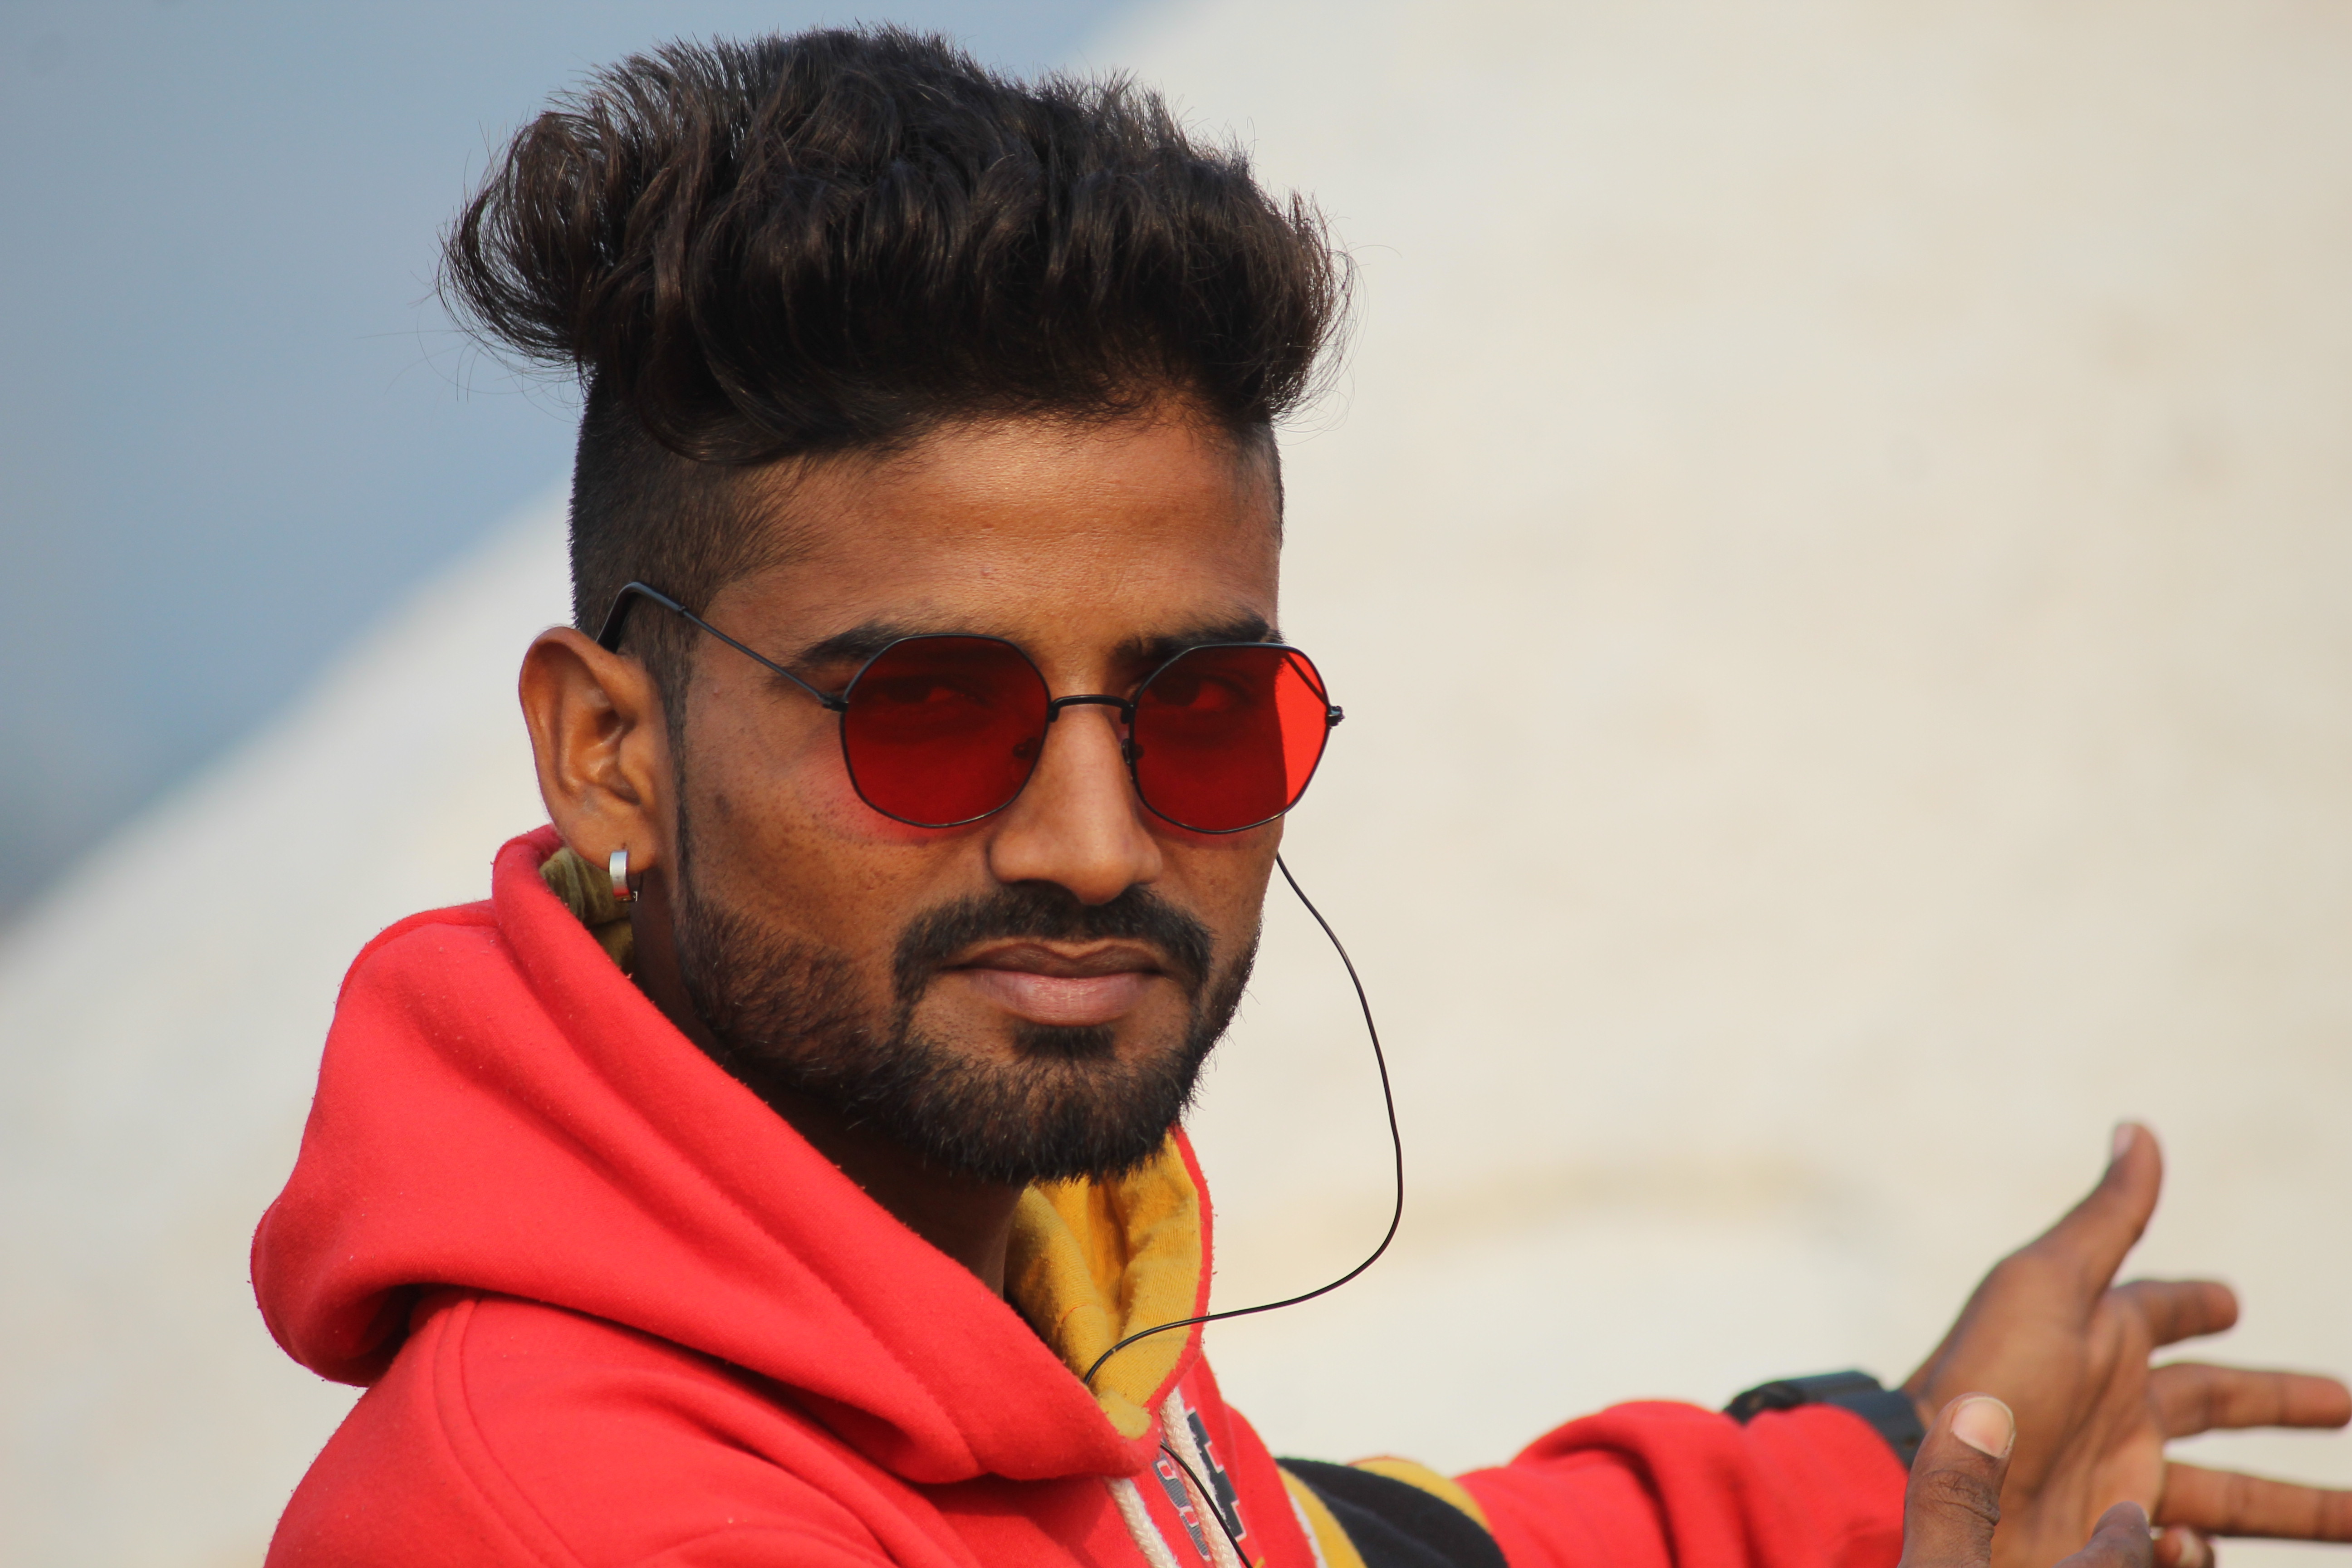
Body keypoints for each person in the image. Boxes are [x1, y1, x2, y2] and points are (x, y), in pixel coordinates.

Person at [250, 28, 2352, 1568]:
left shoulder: (1020, 1296)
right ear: (606, 749)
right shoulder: (588, 1516)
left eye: (1203, 718)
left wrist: (1894, 1468)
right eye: (927, 717)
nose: (1094, 844)